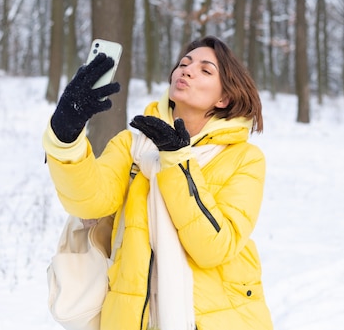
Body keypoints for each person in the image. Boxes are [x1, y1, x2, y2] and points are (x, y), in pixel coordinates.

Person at [43, 35, 273, 330]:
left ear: (223, 98)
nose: (186, 70)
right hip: (133, 317)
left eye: (205, 70)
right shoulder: (134, 146)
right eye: (184, 64)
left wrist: (176, 163)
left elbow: (214, 246)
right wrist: (65, 135)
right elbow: (89, 202)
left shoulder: (244, 159)